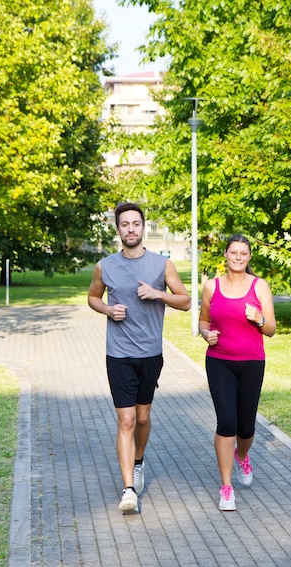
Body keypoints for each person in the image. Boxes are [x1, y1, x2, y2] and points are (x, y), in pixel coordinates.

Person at [88, 202, 190, 512]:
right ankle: (128, 489)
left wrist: (158, 294)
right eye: (125, 224)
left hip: (150, 354)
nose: (130, 229)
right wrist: (107, 309)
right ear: (117, 229)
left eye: (136, 224)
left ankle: (139, 460)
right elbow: (93, 297)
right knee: (127, 419)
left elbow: (185, 301)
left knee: (143, 418)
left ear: (143, 228)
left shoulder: (162, 265)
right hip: (118, 354)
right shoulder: (105, 266)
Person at [199, 234, 276, 512]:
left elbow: (271, 329)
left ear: (249, 257)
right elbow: (203, 320)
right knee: (226, 423)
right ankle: (226, 487)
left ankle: (242, 456)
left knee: (246, 428)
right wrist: (206, 334)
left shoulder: (260, 286)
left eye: (244, 253)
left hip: (252, 362)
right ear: (226, 255)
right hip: (219, 361)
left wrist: (260, 319)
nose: (239, 257)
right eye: (234, 252)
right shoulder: (211, 286)